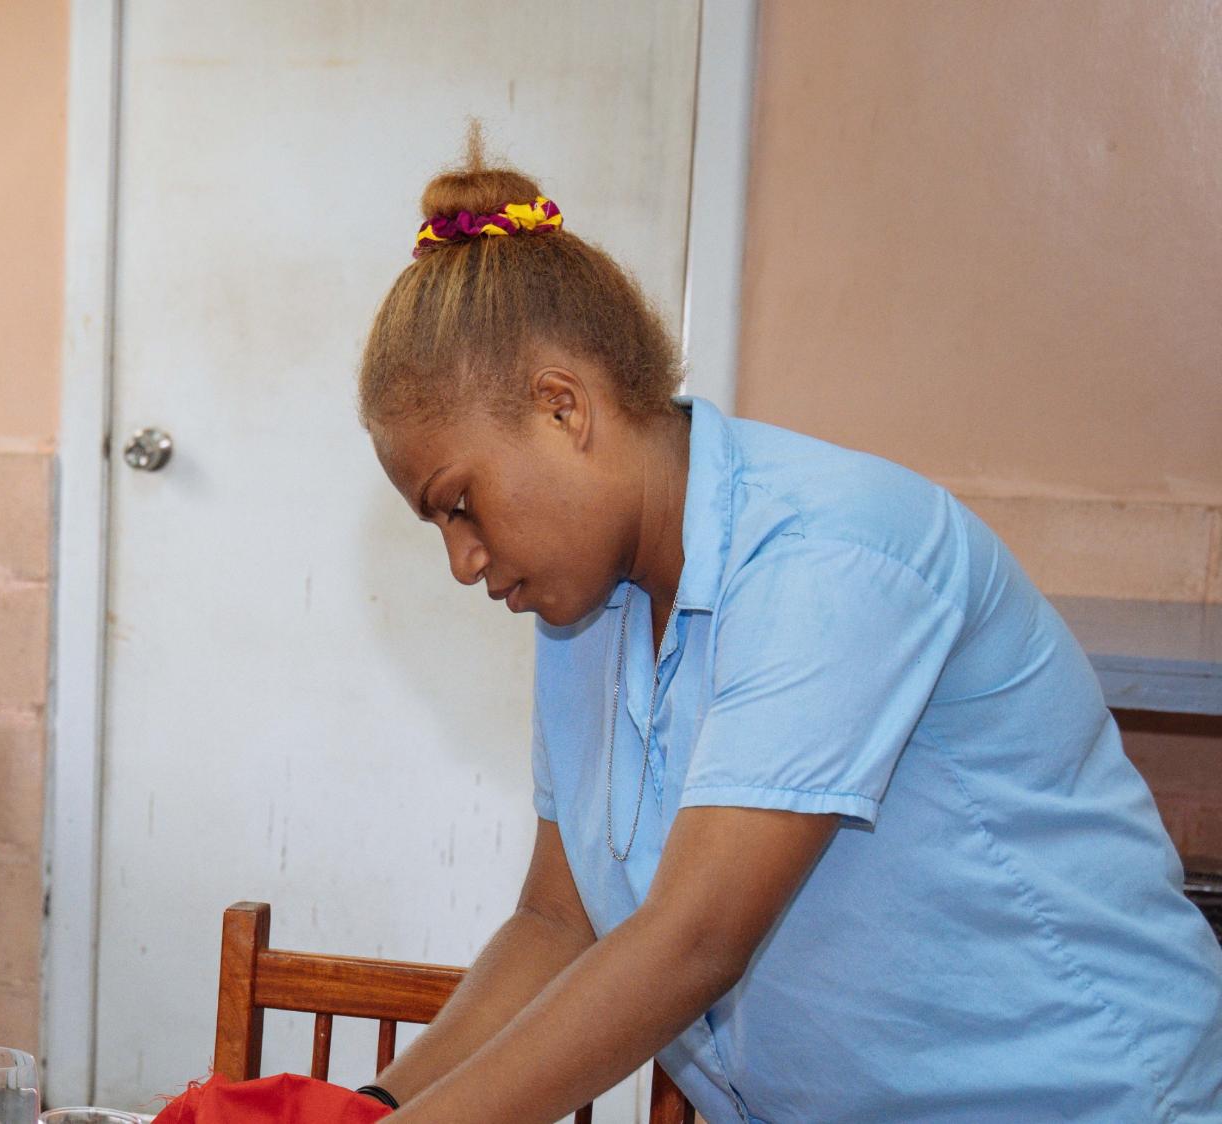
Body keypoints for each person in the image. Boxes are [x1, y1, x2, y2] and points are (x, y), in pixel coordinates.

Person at [351, 136, 1222, 1121]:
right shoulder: (585, 618)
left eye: (459, 503)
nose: (463, 559)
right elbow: (558, 919)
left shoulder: (829, 553)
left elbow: (691, 938)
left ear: (563, 407)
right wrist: (372, 1105)